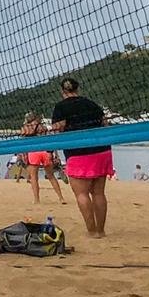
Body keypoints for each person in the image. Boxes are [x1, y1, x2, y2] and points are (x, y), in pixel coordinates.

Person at [50, 77, 111, 238]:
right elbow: (105, 124)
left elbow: (58, 128)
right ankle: (101, 230)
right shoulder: (92, 104)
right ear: (78, 89)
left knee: (81, 194)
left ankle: (92, 231)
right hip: (101, 150)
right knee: (98, 193)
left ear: (62, 91)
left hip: (78, 152)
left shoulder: (60, 107)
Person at [21, 111, 66, 206]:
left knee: (34, 178)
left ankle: (37, 200)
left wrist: (23, 156)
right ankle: (61, 198)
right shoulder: (42, 126)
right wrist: (54, 154)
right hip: (45, 151)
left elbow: (23, 141)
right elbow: (49, 139)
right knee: (51, 176)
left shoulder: (26, 127)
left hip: (33, 151)